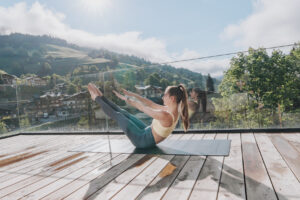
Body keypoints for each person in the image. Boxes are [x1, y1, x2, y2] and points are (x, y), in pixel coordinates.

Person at [87, 83, 189, 148]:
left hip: (142, 140)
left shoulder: (166, 115)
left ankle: (97, 98)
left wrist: (126, 99)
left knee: (118, 115)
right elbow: (150, 103)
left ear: (172, 99)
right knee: (124, 113)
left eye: (165, 95)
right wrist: (132, 94)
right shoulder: (172, 110)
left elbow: (142, 108)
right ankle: (102, 98)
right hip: (147, 131)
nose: (162, 97)